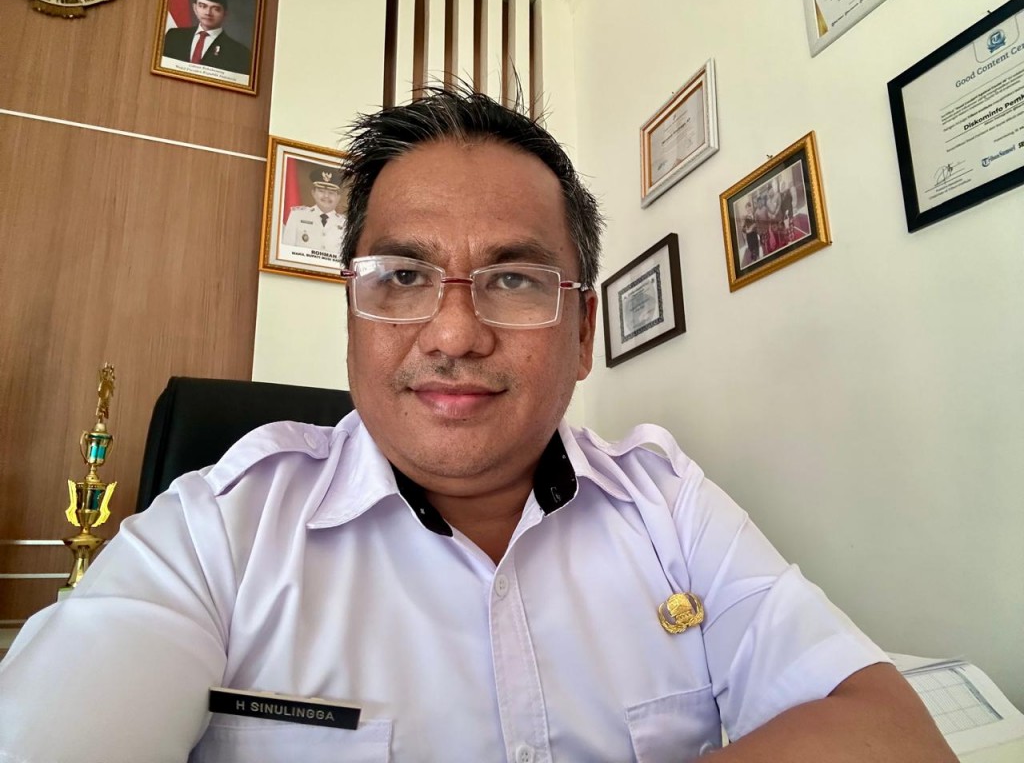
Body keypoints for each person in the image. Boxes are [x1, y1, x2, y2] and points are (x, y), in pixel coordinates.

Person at [0, 87, 956, 762]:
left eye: (513, 279)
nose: (455, 333)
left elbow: (890, 733)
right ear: (353, 319)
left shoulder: (667, 506)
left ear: (583, 333)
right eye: (402, 277)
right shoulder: (219, 530)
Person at [162, 0, 251, 76]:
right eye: (203, 6)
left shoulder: (240, 53)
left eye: (216, 9)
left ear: (225, 14)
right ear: (195, 8)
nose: (208, 13)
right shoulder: (173, 36)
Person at [281, 166, 346, 260]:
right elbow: (286, 251)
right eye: (321, 191)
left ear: (338, 197)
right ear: (313, 193)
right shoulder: (297, 215)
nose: (326, 196)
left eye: (331, 192)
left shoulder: (346, 224)